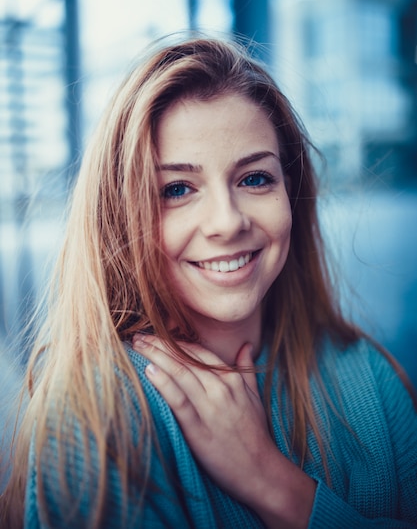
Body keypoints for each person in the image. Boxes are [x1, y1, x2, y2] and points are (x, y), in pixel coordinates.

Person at [1, 35, 417, 529]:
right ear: (121, 218)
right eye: (177, 189)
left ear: (292, 192)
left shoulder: (371, 377)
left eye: (255, 179)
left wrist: (272, 482)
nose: (227, 222)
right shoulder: (96, 415)